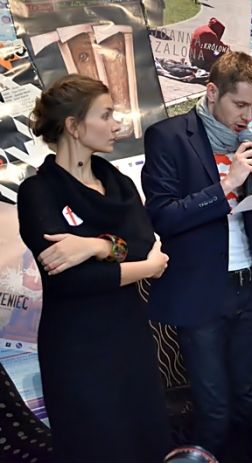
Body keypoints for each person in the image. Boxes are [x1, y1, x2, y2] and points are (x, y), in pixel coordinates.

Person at [141, 51, 252, 463]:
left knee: (247, 400)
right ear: (211, 91)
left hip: (247, 289)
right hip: (202, 293)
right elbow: (163, 217)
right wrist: (226, 186)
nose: (247, 116)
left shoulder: (247, 146)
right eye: (240, 104)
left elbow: (251, 225)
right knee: (216, 410)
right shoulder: (169, 137)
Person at [16, 74, 172, 463]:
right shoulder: (38, 192)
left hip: (130, 338)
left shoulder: (118, 183)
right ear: (73, 126)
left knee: (147, 440)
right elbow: (73, 281)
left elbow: (144, 242)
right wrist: (145, 266)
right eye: (105, 115)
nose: (116, 124)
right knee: (99, 446)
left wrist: (95, 246)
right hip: (77, 349)